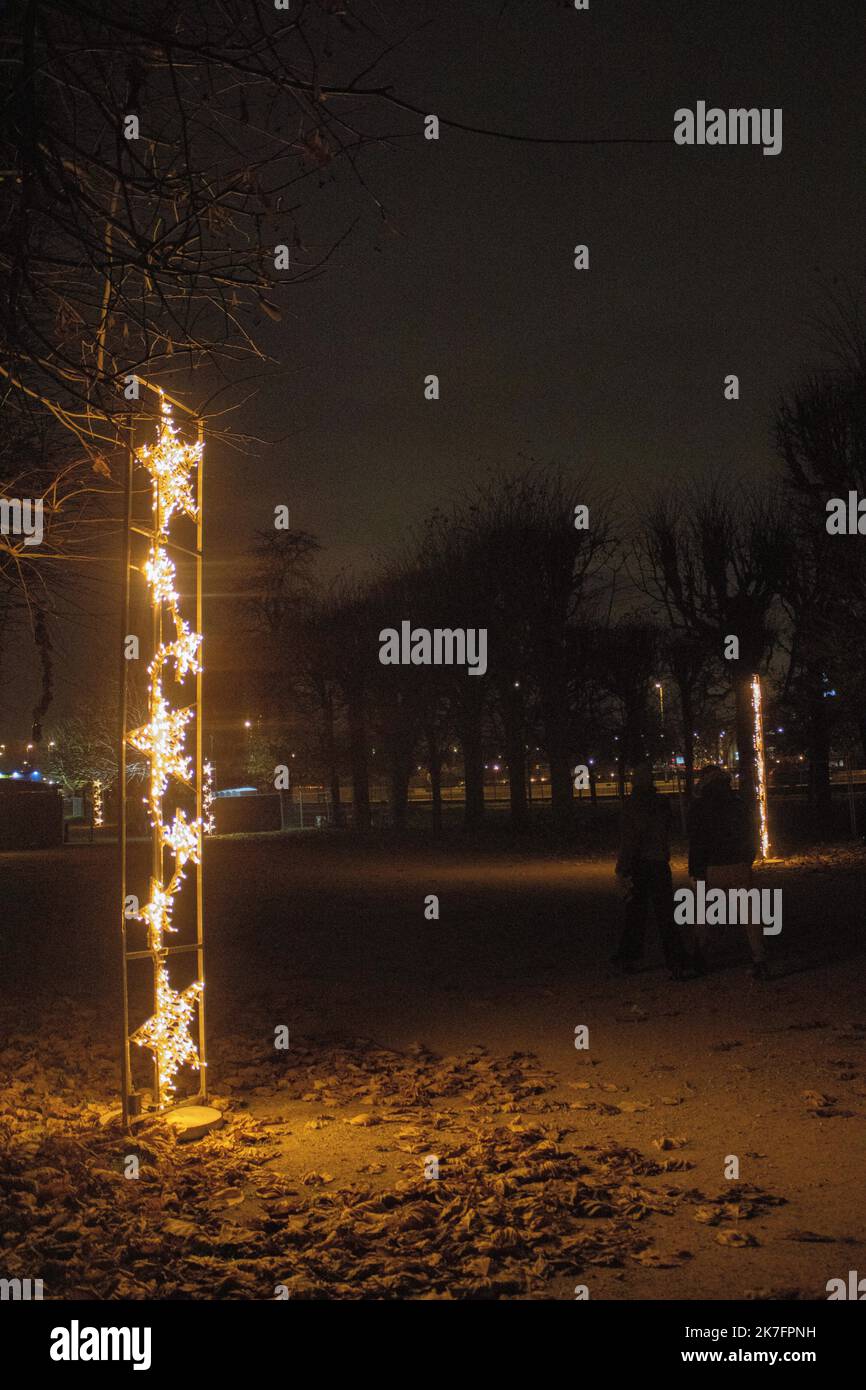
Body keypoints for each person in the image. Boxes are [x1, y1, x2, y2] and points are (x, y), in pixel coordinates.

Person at [687, 764, 768, 981]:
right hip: (738, 865)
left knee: (703, 914)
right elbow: (751, 834)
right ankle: (759, 958)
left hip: (711, 866)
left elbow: (697, 842)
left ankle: (700, 957)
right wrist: (746, 860)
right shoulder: (738, 804)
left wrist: (696, 870)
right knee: (749, 914)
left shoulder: (700, 806)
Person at [613, 761, 691, 979]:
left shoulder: (632, 805)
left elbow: (630, 840)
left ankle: (629, 957)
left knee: (636, 913)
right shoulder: (661, 803)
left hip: (641, 863)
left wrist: (622, 867)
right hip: (659, 862)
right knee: (665, 913)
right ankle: (675, 959)